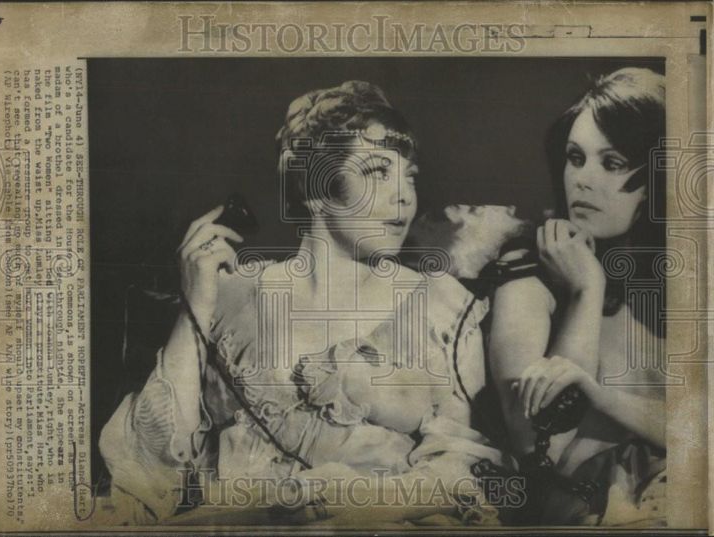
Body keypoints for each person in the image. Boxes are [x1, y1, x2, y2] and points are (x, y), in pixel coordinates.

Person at [97, 80, 506, 526]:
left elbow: (460, 470)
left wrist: (343, 503)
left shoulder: (443, 307)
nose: (404, 195)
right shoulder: (230, 295)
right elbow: (148, 473)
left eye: (409, 175)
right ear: (314, 187)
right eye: (377, 172)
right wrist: (196, 302)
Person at [488, 67, 667, 526]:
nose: (581, 180)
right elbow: (536, 444)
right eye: (575, 157)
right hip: (584, 511)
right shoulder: (528, 272)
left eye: (612, 163)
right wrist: (587, 290)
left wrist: (601, 397)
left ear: (657, 181)